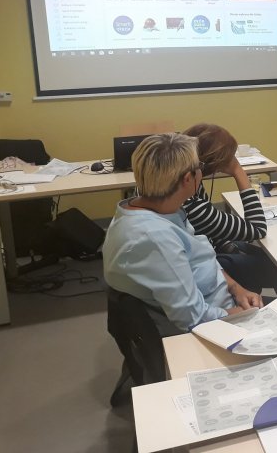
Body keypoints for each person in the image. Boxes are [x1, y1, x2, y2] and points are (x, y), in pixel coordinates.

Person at [102, 133, 262, 333]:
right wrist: (244, 314)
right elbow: (194, 319)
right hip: (212, 325)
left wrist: (236, 288)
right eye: (199, 168)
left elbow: (203, 259)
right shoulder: (155, 238)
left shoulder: (158, 209)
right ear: (188, 178)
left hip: (222, 302)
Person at [182, 124, 277, 294]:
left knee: (265, 254)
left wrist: (232, 248)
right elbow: (258, 229)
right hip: (204, 266)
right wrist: (238, 171)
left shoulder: (186, 181)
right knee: (273, 267)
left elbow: (211, 231)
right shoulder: (193, 207)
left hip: (203, 251)